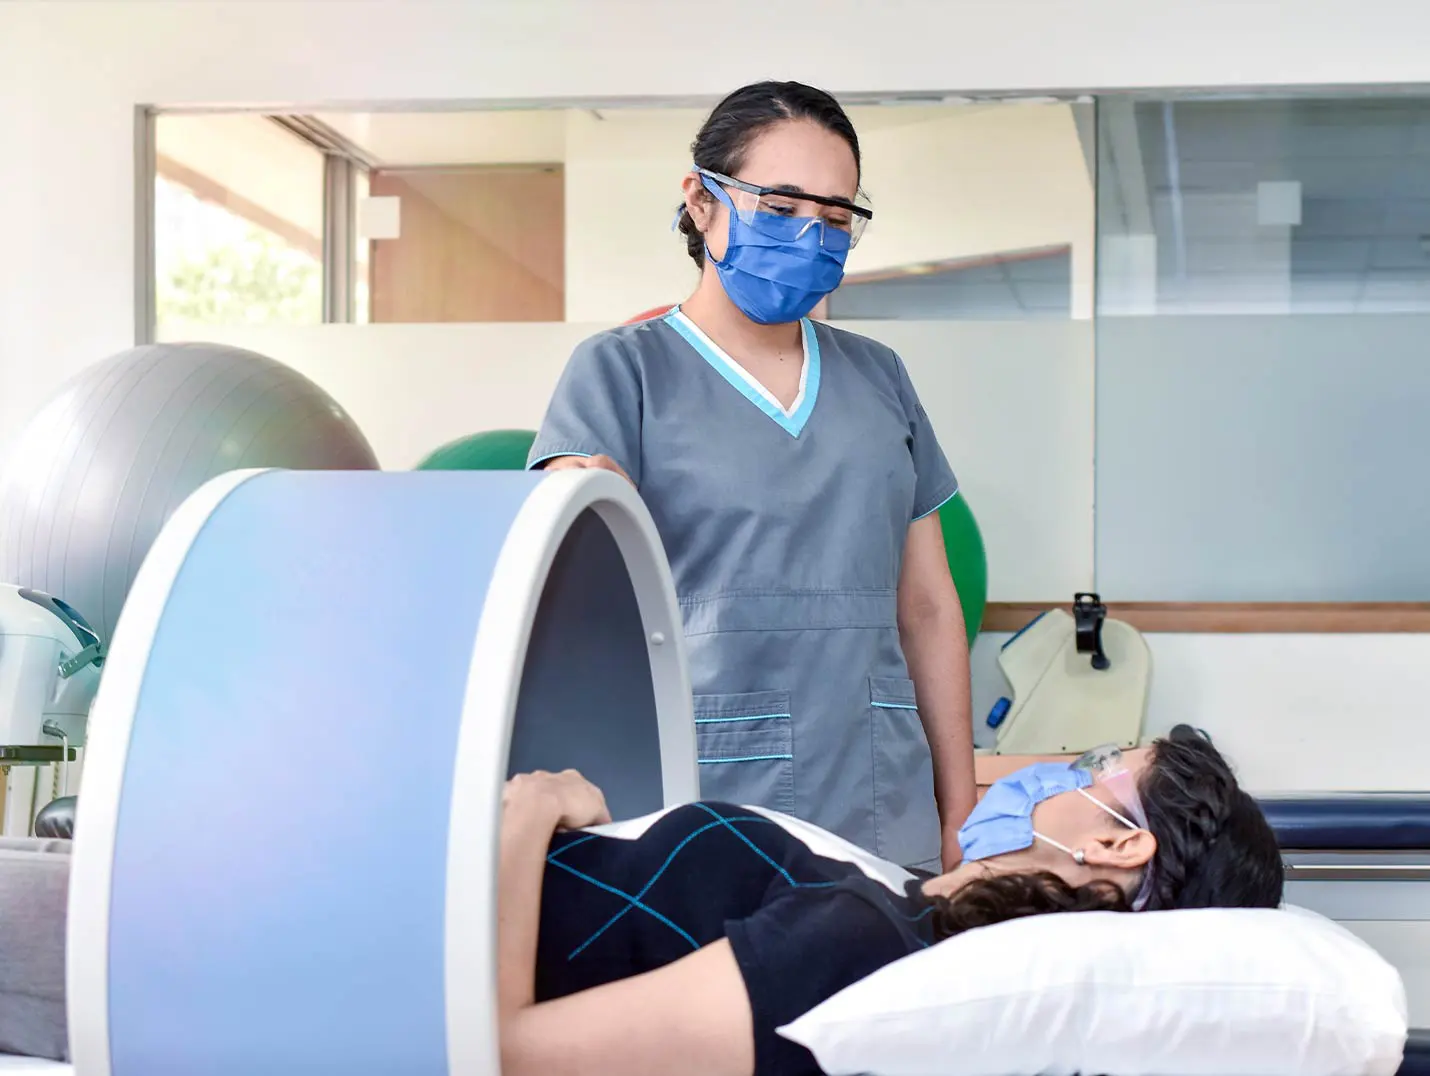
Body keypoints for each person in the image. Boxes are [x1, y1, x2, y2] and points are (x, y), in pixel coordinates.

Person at [528, 80, 972, 872]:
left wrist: (960, 810)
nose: (810, 235)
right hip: (697, 792)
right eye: (780, 206)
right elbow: (575, 589)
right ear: (700, 201)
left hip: (880, 786)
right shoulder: (621, 372)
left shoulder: (880, 378)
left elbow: (931, 607)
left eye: (835, 218)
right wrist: (579, 500)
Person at [498, 726, 1285, 1076]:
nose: (1062, 771)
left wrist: (529, 818)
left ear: (1119, 843)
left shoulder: (861, 948)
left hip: (418, 940)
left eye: (1099, 765)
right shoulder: (901, 899)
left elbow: (505, 1053)